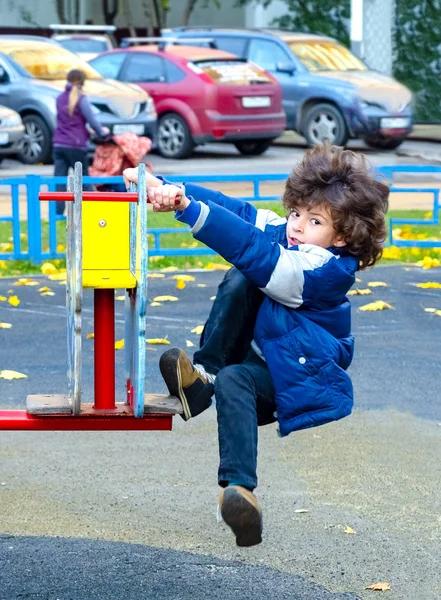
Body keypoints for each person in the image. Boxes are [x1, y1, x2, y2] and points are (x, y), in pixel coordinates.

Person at [123, 143, 389, 548]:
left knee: (248, 270)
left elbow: (254, 252)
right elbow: (242, 214)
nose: (297, 225)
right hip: (258, 364)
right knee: (232, 375)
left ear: (342, 237)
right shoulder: (292, 236)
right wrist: (171, 190)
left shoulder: (321, 271)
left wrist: (189, 211)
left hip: (292, 378)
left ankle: (234, 478)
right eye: (296, 212)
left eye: (314, 220)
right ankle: (209, 399)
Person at [52, 69, 110, 215]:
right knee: (83, 178)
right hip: (76, 145)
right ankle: (91, 210)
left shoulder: (59, 98)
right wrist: (102, 132)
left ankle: (58, 213)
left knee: (59, 180)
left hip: (59, 144)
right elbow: (92, 120)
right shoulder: (82, 99)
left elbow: (65, 121)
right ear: (82, 83)